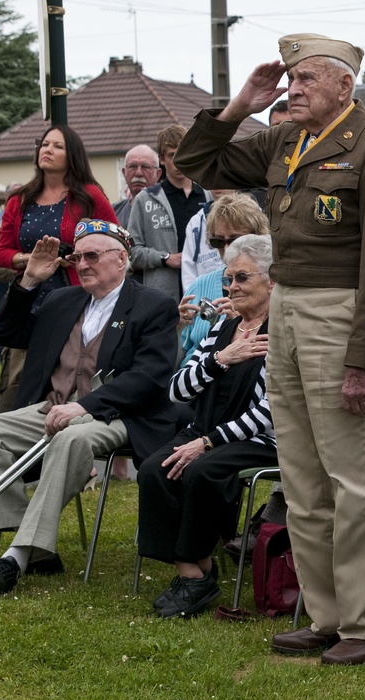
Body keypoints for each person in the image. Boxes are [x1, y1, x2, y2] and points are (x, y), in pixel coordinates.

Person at [176, 33, 365, 665]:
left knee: (351, 477)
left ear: (345, 85)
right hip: (284, 307)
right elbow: (200, 163)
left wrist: (364, 356)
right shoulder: (285, 139)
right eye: (289, 78)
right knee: (301, 475)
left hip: (340, 310)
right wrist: (239, 106)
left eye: (307, 77)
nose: (293, 87)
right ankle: (326, 614)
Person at [0, 220, 178, 599]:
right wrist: (28, 281)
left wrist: (84, 406)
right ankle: (33, 545)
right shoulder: (63, 300)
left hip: (118, 415)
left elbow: (150, 377)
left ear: (122, 259)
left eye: (92, 255)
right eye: (77, 257)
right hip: (52, 407)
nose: (82, 264)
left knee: (72, 436)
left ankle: (14, 560)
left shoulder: (153, 305)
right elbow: (3, 335)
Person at [138, 234, 277, 618]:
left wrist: (208, 442)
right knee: (154, 469)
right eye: (228, 280)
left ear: (272, 281)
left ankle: (195, 572)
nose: (232, 287)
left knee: (200, 471)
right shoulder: (221, 329)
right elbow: (177, 390)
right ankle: (195, 571)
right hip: (206, 427)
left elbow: (270, 413)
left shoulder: (282, 332)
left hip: (260, 439)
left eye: (242, 278)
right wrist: (220, 359)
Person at [0, 124, 117, 413]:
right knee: (22, 387)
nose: (47, 150)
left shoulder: (89, 196)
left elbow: (117, 243)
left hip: (75, 300)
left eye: (56, 146)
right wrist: (30, 261)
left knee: (67, 382)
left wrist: (79, 257)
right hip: (30, 298)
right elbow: (0, 254)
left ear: (71, 154)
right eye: (44, 144)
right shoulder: (20, 199)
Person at [178, 193, 268, 365]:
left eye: (235, 239)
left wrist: (236, 327)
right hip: (195, 382)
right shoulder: (199, 286)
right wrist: (176, 327)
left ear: (257, 236)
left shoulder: (266, 284)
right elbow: (177, 356)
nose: (227, 248)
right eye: (218, 241)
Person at [128, 125, 213, 302]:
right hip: (162, 297)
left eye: (184, 152)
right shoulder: (146, 199)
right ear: (161, 159)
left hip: (203, 292)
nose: (179, 160)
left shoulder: (206, 195)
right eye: (172, 155)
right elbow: (131, 252)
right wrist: (165, 258)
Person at [111, 144, 161, 227]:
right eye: (133, 166)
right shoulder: (114, 212)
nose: (138, 173)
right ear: (124, 172)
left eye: (145, 167)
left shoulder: (167, 210)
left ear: (158, 174)